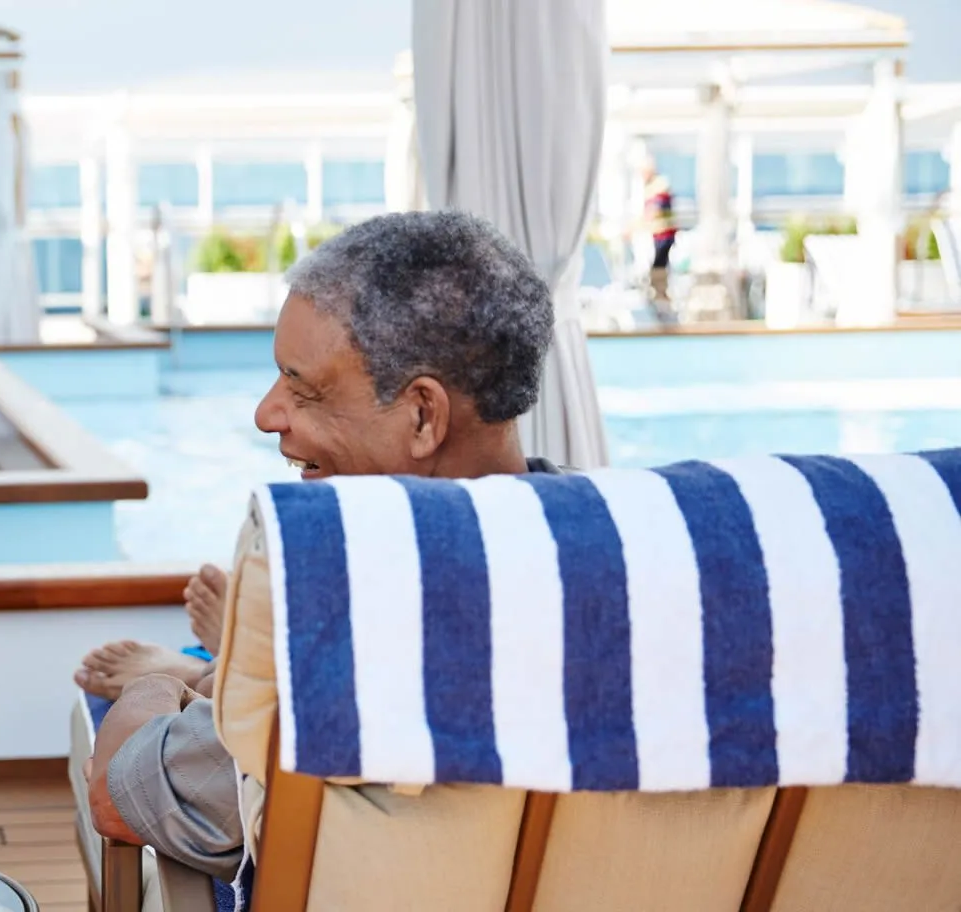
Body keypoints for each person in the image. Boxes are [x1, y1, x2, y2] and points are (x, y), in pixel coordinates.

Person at [85, 211, 560, 879]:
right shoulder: (650, 577)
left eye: (302, 388)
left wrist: (164, 686)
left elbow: (116, 792)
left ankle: (223, 670)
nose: (266, 413)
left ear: (423, 415)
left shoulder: (356, 625)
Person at [638, 155, 677, 309]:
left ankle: (661, 295)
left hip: (664, 234)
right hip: (657, 233)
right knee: (658, 265)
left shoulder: (659, 185)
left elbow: (655, 210)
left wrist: (638, 224)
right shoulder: (651, 186)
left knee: (659, 266)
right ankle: (659, 294)